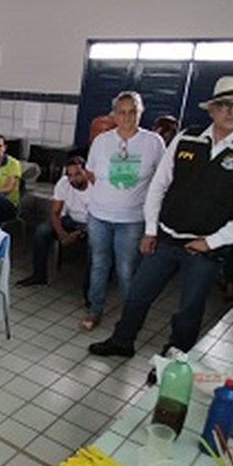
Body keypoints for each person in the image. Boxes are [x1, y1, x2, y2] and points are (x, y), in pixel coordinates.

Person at [90, 75, 233, 357]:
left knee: (189, 308)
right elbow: (159, 185)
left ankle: (175, 359)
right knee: (138, 295)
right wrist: (151, 229)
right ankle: (122, 341)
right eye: (224, 105)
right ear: (211, 109)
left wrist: (214, 241)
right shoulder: (187, 138)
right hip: (165, 238)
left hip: (204, 248)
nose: (231, 111)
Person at [81, 91, 165, 331]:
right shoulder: (102, 141)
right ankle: (95, 310)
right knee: (98, 264)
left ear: (141, 113)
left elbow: (161, 181)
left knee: (126, 269)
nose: (127, 117)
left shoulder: (153, 142)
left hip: (132, 219)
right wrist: (111, 196)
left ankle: (130, 318)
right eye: (122, 112)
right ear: (114, 114)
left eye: (133, 112)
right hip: (99, 216)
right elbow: (91, 174)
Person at [17, 155, 91, 287]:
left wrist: (79, 233)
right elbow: (55, 213)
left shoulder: (95, 186)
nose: (73, 179)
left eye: (78, 174)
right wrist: (62, 234)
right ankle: (39, 276)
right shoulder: (64, 183)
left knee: (96, 246)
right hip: (70, 220)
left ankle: (90, 290)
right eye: (70, 175)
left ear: (87, 172)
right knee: (41, 232)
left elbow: (100, 219)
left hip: (91, 224)